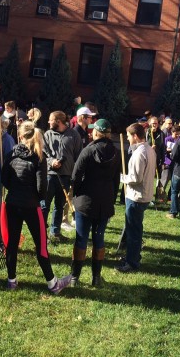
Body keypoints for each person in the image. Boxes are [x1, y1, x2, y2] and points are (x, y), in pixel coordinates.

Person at [1, 121, 72, 293]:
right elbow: (42, 188)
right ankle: (52, 283)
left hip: (12, 204)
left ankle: (11, 280)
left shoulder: (11, 154)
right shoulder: (39, 158)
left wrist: (17, 190)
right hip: (31, 205)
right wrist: (36, 197)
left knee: (12, 244)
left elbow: (4, 179)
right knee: (40, 245)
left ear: (20, 136)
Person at [69, 119, 120, 287]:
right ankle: (95, 278)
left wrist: (75, 196)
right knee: (99, 239)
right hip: (104, 201)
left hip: (86, 200)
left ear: (96, 133)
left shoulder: (87, 151)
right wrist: (111, 200)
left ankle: (75, 277)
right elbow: (116, 180)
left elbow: (75, 177)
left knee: (81, 238)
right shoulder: (116, 152)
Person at [116, 123, 156, 273]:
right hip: (143, 195)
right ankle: (133, 256)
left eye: (128, 136)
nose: (127, 139)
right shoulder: (149, 150)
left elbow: (136, 178)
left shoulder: (140, 153)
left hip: (136, 197)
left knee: (133, 231)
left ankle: (131, 262)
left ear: (135, 136)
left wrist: (121, 177)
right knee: (136, 229)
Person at [42, 111, 83, 242]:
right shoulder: (47, 135)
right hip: (50, 175)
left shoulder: (73, 135)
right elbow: (43, 153)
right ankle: (41, 233)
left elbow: (79, 156)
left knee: (59, 205)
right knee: (44, 205)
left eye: (50, 120)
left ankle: (55, 232)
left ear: (58, 121)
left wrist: (74, 173)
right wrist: (51, 161)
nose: (49, 122)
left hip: (65, 176)